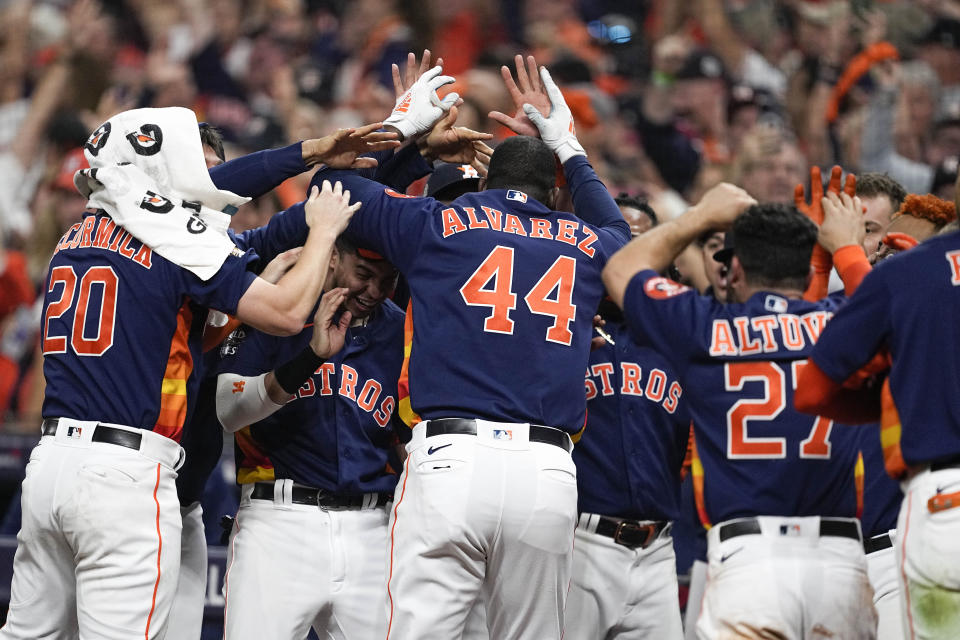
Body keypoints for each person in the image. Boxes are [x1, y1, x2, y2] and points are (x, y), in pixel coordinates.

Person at [0, 106, 383, 640]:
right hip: (123, 477)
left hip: (51, 467)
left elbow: (163, 332)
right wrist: (321, 235)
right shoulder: (170, 235)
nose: (199, 182)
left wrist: (314, 152)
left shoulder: (82, 226)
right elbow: (289, 312)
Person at [315, 65, 630, 639]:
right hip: (546, 470)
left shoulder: (439, 222)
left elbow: (333, 191)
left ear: (485, 186)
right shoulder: (587, 243)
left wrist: (403, 130)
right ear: (555, 192)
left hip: (450, 463)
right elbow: (631, 249)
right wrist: (570, 148)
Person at [602, 187, 878, 639]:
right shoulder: (841, 319)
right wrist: (845, 247)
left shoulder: (705, 324)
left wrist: (697, 216)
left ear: (738, 268)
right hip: (840, 563)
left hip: (748, 560)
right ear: (810, 261)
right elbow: (891, 315)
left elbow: (621, 269)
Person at [215, 235, 403, 640]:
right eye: (364, 274)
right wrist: (310, 358)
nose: (373, 291)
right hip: (279, 524)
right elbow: (228, 410)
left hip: (373, 529)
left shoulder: (402, 330)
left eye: (386, 281)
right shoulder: (279, 308)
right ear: (333, 257)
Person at [796, 188, 960, 639]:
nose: (880, 248)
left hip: (912, 533)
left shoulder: (913, 288)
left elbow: (811, 390)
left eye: (880, 233)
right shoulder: (851, 312)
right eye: (867, 235)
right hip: (835, 552)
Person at [566, 291, 690, 639]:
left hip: (658, 549)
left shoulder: (674, 341)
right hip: (583, 544)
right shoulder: (564, 336)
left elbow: (681, 445)